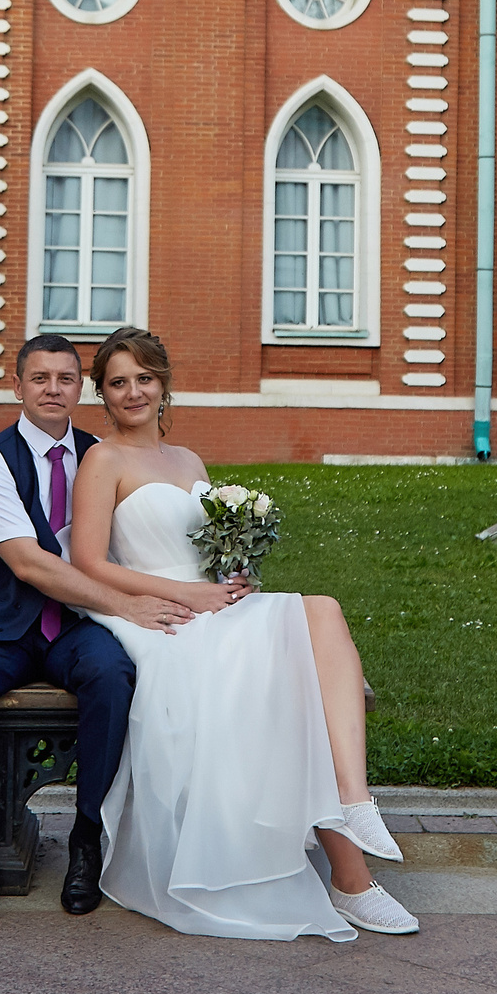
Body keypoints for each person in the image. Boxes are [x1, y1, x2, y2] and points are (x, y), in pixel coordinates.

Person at [69, 326, 418, 940]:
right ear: (102, 392)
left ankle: (354, 800)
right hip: (159, 617)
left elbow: (200, 549)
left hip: (210, 602)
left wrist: (232, 577)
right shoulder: (103, 460)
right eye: (118, 382)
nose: (133, 392)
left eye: (144, 379)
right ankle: (351, 879)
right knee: (294, 680)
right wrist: (189, 595)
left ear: (162, 384)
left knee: (324, 611)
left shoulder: (187, 460)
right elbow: (91, 562)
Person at [0, 334, 193, 926]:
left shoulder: (101, 455)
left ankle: (86, 841)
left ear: (80, 389)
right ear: (16, 386)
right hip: (2, 626)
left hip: (75, 625)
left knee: (113, 675)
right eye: (39, 378)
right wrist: (127, 608)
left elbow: (136, 547)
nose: (52, 389)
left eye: (65, 379)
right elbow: (28, 562)